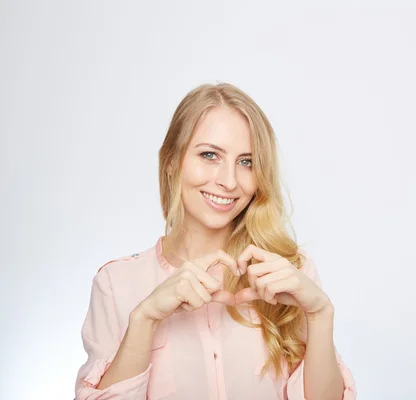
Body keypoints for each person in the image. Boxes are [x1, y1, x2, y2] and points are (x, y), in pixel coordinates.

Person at [74, 83, 357, 399]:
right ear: (171, 162)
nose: (229, 181)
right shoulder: (116, 284)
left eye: (246, 162)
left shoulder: (291, 273)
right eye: (209, 155)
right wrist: (146, 318)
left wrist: (320, 314)